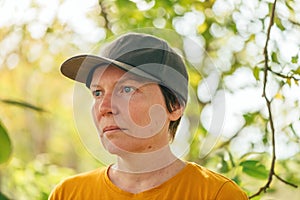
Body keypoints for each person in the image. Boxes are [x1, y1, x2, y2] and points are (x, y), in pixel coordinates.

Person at [49, 33, 248, 200]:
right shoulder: (68, 194)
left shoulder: (216, 195)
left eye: (127, 89)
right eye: (98, 93)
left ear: (175, 106)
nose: (104, 107)